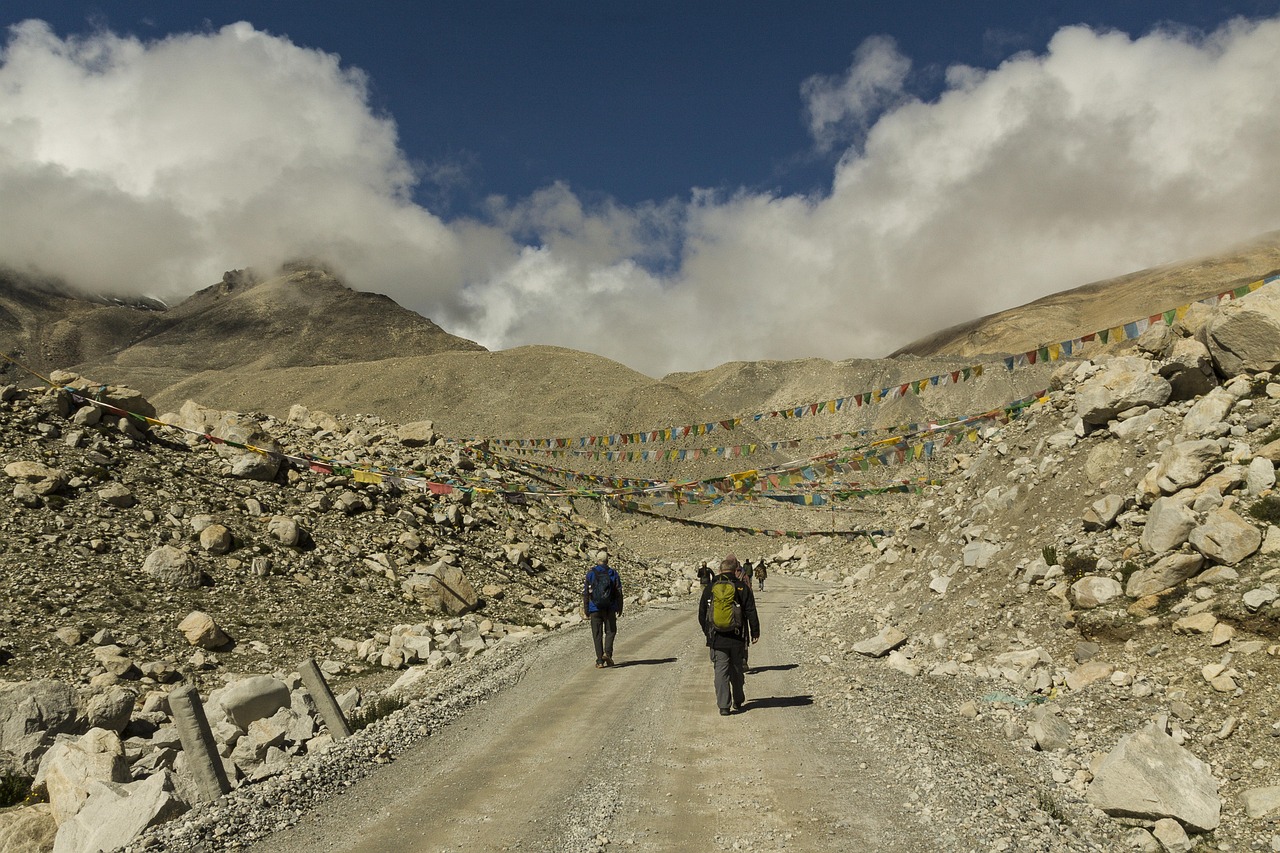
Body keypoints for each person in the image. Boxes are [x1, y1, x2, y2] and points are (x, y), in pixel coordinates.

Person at [698, 554, 760, 715]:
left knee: (721, 670)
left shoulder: (711, 588)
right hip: (738, 637)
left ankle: (723, 706)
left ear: (719, 570)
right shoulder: (741, 587)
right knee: (737, 668)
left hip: (717, 638)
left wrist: (708, 633)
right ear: (735, 571)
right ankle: (738, 700)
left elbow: (702, 613)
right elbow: (750, 610)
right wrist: (755, 631)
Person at [582, 551, 622, 668]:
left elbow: (586, 593)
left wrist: (586, 609)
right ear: (607, 560)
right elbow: (618, 591)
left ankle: (599, 661)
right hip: (610, 607)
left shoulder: (590, 574)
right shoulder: (613, 573)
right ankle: (607, 654)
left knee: (597, 634)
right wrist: (619, 607)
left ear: (597, 560)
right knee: (611, 631)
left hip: (595, 608)